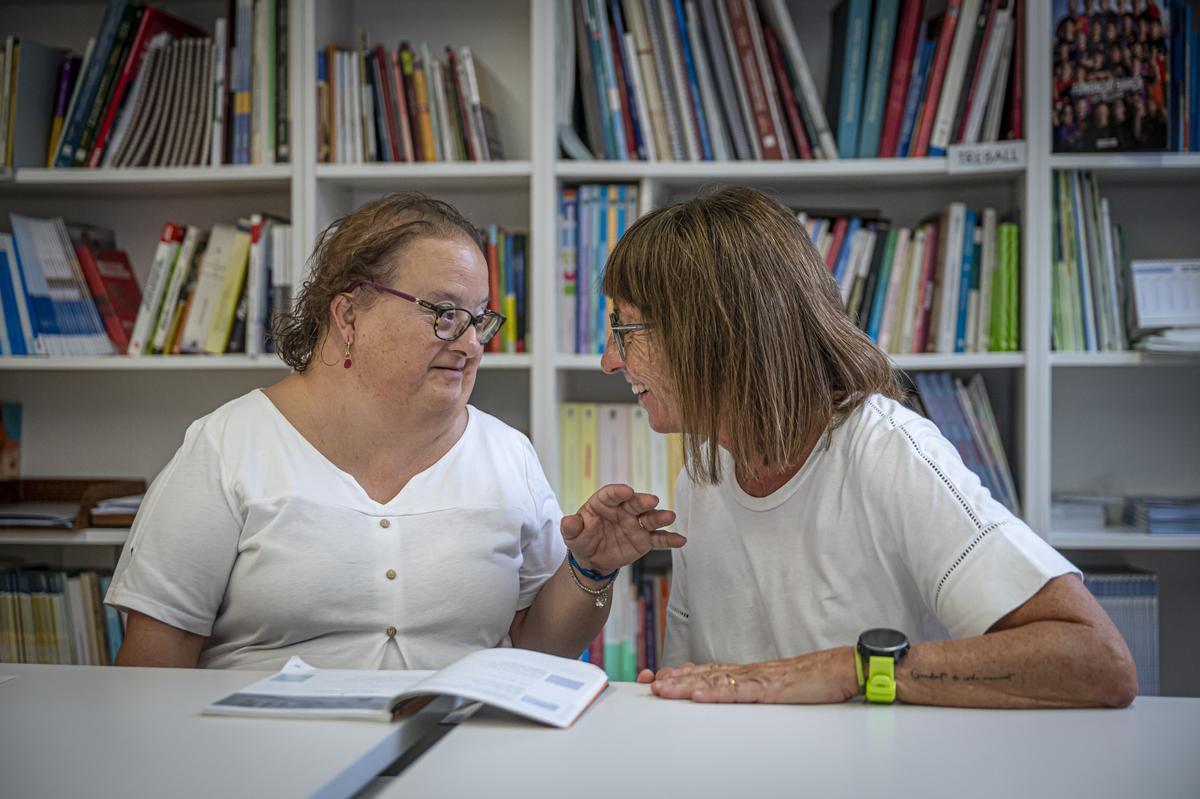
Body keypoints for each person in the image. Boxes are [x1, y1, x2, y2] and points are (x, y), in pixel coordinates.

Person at [600, 187, 1138, 708]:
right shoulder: (702, 475)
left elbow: (1096, 658)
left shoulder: (890, 452)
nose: (610, 361)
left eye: (624, 329)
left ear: (711, 332)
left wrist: (849, 668)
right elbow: (700, 682)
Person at [106, 192, 683, 670]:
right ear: (349, 313)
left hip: (460, 758)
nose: (470, 342)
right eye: (444, 312)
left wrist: (589, 569)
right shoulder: (227, 446)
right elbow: (153, 668)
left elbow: (537, 648)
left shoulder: (507, 454)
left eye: (479, 318)